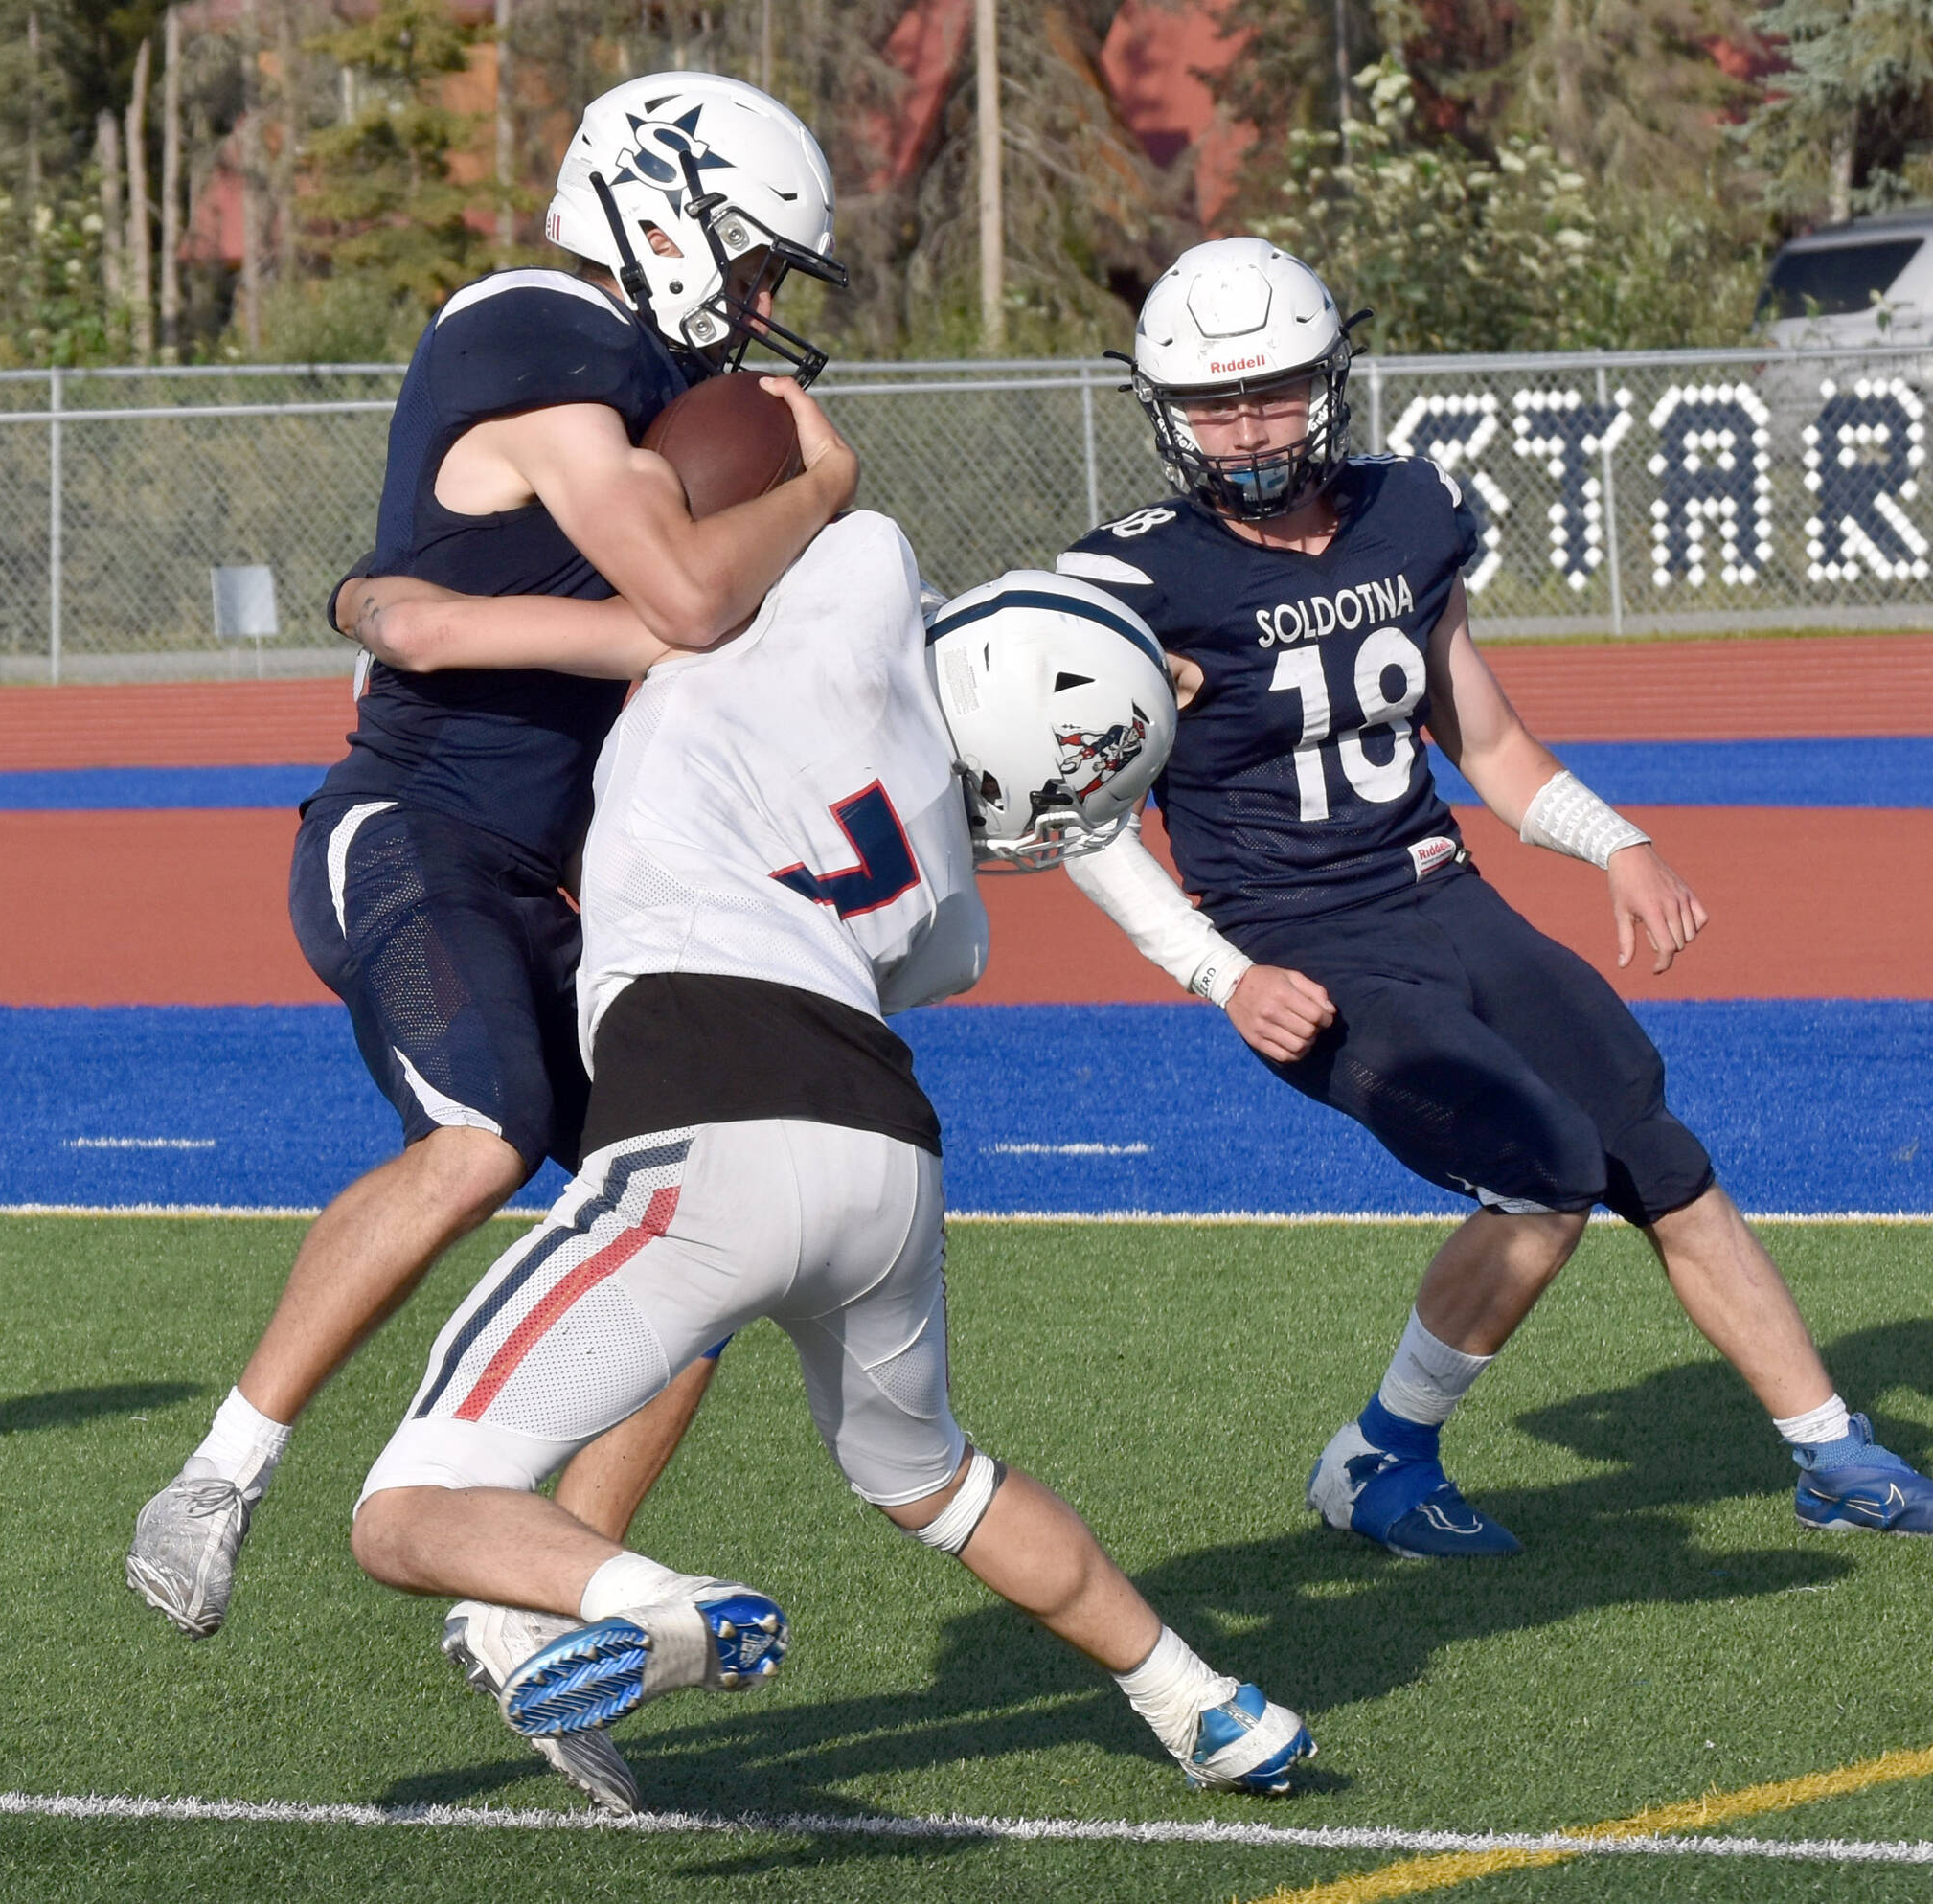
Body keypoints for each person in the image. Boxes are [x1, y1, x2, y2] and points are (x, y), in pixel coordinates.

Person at [125, 72, 860, 1810]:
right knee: (484, 1138)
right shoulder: (537, 333)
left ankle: (532, 1609)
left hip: (551, 882)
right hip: (416, 834)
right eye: (754, 269)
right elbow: (685, 605)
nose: (760, 314)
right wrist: (817, 492)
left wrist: (441, 611)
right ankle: (220, 1474)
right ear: (660, 211)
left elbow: (688, 642)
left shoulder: (645, 382)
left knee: (707, 1225)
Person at [338, 527, 1316, 1800]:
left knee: (406, 1506)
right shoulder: (953, 908)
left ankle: (651, 1602)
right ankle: (1206, 1705)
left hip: (701, 1114)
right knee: (939, 1478)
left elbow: (807, 521)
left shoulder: (846, 593)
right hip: (884, 1159)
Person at [1057, 236, 1933, 1559]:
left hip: (1442, 893)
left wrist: (1617, 842)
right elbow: (1083, 817)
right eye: (1215, 403)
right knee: (1542, 1174)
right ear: (1169, 414)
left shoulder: (1407, 511)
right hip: (1304, 941)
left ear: (1331, 381)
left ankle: (1831, 1449)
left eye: (1276, 390)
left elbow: (1491, 740)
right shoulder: (1131, 581)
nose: (1246, 426)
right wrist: (1220, 974)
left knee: (1655, 1151)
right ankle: (1378, 1458)